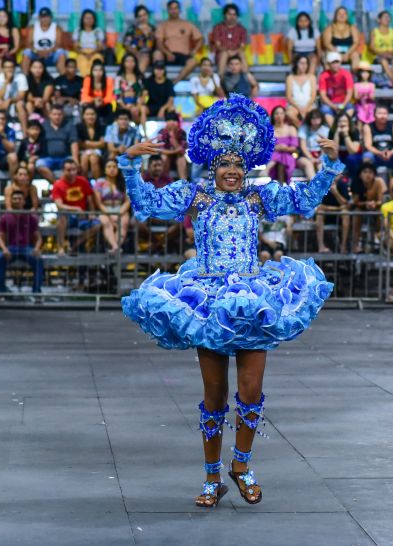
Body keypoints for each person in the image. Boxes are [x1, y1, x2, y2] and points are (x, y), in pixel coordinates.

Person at [118, 94, 343, 508]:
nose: (232, 172)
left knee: (251, 389)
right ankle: (210, 476)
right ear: (212, 167)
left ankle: (241, 465)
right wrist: (130, 162)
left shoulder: (259, 198)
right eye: (225, 165)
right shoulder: (195, 197)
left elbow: (305, 200)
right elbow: (147, 204)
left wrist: (329, 165)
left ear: (246, 168)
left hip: (254, 300)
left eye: (238, 165)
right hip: (209, 302)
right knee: (215, 394)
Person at [0, 190, 45, 299]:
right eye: (15, 199)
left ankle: (37, 292)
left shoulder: (31, 217)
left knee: (39, 260)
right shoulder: (5, 217)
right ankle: (0, 292)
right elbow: (0, 236)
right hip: (11, 248)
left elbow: (38, 237)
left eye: (20, 199)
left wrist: (36, 249)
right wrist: (4, 249)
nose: (17, 201)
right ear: (11, 201)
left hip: (27, 248)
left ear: (24, 201)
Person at [51, 159, 101, 256]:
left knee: (97, 225)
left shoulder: (83, 181)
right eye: (68, 170)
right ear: (63, 170)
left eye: (74, 170)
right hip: (67, 217)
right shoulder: (58, 184)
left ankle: (75, 245)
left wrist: (92, 213)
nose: (72, 172)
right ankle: (60, 247)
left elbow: (90, 200)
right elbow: (59, 205)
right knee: (62, 218)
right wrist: (75, 209)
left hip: (82, 217)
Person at [156, 0, 203, 83]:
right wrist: (167, 53)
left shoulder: (187, 24)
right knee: (157, 54)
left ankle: (174, 82)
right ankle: (159, 82)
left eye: (176, 8)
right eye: (171, 9)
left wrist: (194, 50)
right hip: (168, 55)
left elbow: (200, 39)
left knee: (194, 61)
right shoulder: (163, 25)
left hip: (184, 55)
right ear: (168, 10)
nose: (174, 11)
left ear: (180, 10)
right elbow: (159, 43)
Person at [94, 158, 131, 254]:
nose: (112, 169)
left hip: (121, 209)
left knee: (124, 222)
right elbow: (99, 203)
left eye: (114, 167)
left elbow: (127, 201)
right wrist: (110, 215)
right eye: (109, 167)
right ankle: (116, 247)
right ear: (105, 170)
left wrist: (119, 213)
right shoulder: (99, 183)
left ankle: (116, 247)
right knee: (106, 222)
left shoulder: (124, 182)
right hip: (105, 209)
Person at [36, 105, 79, 183]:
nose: (57, 117)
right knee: (39, 165)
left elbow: (74, 142)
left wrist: (75, 158)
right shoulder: (44, 126)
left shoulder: (69, 126)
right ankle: (57, 184)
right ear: (50, 115)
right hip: (48, 157)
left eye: (59, 114)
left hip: (65, 157)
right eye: (54, 114)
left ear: (63, 115)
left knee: (71, 167)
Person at [350, 162, 387, 253]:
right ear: (360, 174)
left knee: (381, 213)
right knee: (356, 213)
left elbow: (383, 200)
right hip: (361, 207)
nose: (368, 175)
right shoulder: (356, 183)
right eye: (365, 172)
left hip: (377, 207)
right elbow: (356, 202)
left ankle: (378, 240)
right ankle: (356, 244)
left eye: (370, 172)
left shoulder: (379, 182)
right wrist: (366, 204)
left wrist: (375, 204)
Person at [21, 7, 67, 75]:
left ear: (51, 17)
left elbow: (58, 44)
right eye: (43, 17)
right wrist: (38, 52)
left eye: (47, 17)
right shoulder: (33, 28)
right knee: (26, 52)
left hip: (51, 54)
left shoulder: (56, 28)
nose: (45, 19)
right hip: (36, 54)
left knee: (61, 53)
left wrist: (48, 51)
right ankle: (26, 77)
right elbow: (29, 43)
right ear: (39, 18)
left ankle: (63, 78)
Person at [0, 57, 28, 133]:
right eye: (6, 67)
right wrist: (6, 82)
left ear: (14, 68)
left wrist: (10, 100)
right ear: (2, 68)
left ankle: (25, 133)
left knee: (19, 104)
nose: (9, 69)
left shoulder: (21, 77)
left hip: (15, 102)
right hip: (1, 102)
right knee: (0, 103)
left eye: (11, 67)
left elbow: (21, 95)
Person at [209, 3, 248, 76]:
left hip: (236, 55)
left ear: (237, 16)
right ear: (224, 15)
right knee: (224, 54)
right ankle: (220, 80)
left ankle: (245, 79)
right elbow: (217, 45)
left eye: (234, 15)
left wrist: (235, 52)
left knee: (242, 54)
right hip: (221, 55)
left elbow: (242, 46)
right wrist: (227, 51)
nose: (232, 17)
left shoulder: (241, 29)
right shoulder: (218, 28)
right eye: (229, 14)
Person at [318, 52, 354, 126]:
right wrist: (333, 106)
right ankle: (334, 130)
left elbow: (349, 92)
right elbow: (323, 95)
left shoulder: (346, 74)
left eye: (337, 62)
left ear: (340, 62)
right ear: (329, 64)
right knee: (325, 110)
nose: (335, 65)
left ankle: (344, 128)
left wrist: (343, 105)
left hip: (344, 103)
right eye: (333, 63)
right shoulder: (324, 75)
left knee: (350, 109)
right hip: (330, 104)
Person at [363, 104, 393, 171]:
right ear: (374, 115)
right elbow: (368, 145)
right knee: (367, 156)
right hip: (375, 154)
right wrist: (380, 153)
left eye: (385, 113)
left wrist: (391, 153)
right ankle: (368, 179)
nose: (382, 116)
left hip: (391, 154)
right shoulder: (368, 127)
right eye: (380, 113)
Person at [321, 6, 361, 71]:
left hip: (349, 52)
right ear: (335, 16)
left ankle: (353, 77)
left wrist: (347, 53)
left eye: (344, 14)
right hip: (333, 51)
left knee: (355, 55)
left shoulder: (352, 28)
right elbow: (327, 43)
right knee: (327, 55)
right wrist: (338, 53)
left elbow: (356, 42)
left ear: (347, 16)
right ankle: (330, 78)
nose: (342, 15)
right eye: (339, 13)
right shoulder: (329, 28)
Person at [266, 106, 298, 182]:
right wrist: (276, 148)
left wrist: (284, 148)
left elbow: (294, 148)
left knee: (283, 158)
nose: (279, 116)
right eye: (276, 113)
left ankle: (278, 185)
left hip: (288, 155)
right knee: (278, 156)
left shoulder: (291, 129)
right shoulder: (269, 130)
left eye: (281, 113)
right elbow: (266, 148)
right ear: (273, 116)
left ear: (284, 115)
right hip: (273, 155)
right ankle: (282, 187)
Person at [122, 5, 156, 74]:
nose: (143, 17)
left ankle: (137, 79)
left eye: (144, 14)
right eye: (140, 16)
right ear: (137, 18)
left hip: (149, 55)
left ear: (148, 15)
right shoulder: (133, 29)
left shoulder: (153, 29)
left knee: (146, 57)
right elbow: (126, 44)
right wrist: (136, 53)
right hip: (135, 53)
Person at [80, 60, 116, 125]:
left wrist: (101, 101)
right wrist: (94, 100)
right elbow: (84, 96)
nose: (98, 72)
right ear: (92, 71)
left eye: (100, 70)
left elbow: (109, 97)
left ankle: (108, 125)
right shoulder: (88, 79)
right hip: (92, 104)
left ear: (103, 71)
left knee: (111, 105)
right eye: (95, 70)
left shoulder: (109, 80)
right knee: (84, 104)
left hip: (104, 104)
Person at [116, 53, 148, 124]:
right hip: (124, 104)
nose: (130, 63)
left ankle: (144, 133)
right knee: (134, 110)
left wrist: (138, 105)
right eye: (127, 61)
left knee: (143, 109)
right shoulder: (119, 78)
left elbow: (143, 93)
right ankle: (136, 129)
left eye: (132, 61)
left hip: (137, 103)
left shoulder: (139, 77)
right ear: (123, 63)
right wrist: (124, 106)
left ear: (135, 63)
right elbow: (117, 94)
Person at [369, 11, 393, 84]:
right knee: (383, 61)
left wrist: (389, 53)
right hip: (379, 56)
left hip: (391, 55)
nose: (387, 19)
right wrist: (382, 53)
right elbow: (371, 47)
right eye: (385, 17)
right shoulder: (374, 32)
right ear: (379, 20)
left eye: (388, 17)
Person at [297, 109, 329, 179]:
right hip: (305, 155)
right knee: (308, 164)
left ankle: (321, 188)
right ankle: (313, 188)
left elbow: (325, 147)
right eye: (313, 118)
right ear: (309, 119)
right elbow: (303, 146)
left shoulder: (325, 130)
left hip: (321, 154)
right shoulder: (303, 129)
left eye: (317, 118)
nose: (315, 120)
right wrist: (311, 158)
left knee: (321, 165)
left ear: (321, 119)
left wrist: (320, 158)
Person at [285, 55, 317, 126]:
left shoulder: (312, 77)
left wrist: (305, 109)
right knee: (289, 114)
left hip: (309, 105)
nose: (304, 65)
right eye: (301, 63)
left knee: (314, 115)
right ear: (296, 64)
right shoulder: (290, 78)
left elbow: (313, 96)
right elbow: (289, 96)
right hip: (294, 105)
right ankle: (301, 129)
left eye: (306, 63)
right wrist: (299, 109)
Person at [73, 9, 106, 78]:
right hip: (82, 52)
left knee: (96, 61)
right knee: (82, 62)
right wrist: (84, 53)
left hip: (95, 52)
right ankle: (87, 81)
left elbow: (100, 46)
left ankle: (94, 81)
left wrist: (92, 53)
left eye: (91, 18)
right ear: (82, 19)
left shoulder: (98, 31)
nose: (89, 20)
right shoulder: (78, 31)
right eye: (86, 18)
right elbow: (75, 46)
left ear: (94, 20)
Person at [76, 105, 106, 180]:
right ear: (83, 116)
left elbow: (102, 144)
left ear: (96, 115)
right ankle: (84, 184)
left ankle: (98, 185)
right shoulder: (78, 127)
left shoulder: (101, 127)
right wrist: (96, 144)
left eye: (92, 114)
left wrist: (87, 143)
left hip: (99, 152)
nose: (90, 116)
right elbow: (80, 144)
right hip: (83, 152)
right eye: (88, 114)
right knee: (84, 157)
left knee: (93, 158)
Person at [157, 111, 188, 180]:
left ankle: (183, 183)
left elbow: (182, 151)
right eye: (169, 120)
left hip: (178, 157)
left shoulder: (182, 132)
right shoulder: (162, 132)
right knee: (164, 157)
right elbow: (161, 151)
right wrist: (176, 151)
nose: (171, 122)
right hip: (166, 157)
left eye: (174, 120)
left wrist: (172, 137)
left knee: (181, 159)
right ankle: (164, 181)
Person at [353, 63, 376, 128]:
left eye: (367, 73)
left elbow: (373, 97)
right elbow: (355, 97)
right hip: (360, 105)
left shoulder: (372, 85)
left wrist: (369, 96)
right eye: (363, 72)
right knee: (360, 116)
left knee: (371, 116)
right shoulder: (356, 85)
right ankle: (359, 133)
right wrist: (360, 96)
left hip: (369, 105)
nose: (365, 75)